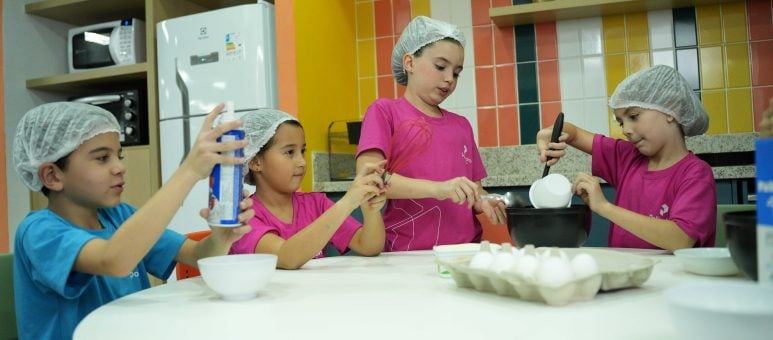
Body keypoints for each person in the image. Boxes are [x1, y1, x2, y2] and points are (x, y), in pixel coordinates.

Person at [12, 102, 254, 340]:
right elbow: (114, 260)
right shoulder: (39, 232)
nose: (119, 167)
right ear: (52, 176)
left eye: (119, 155)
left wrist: (221, 238)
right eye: (102, 158)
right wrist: (189, 171)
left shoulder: (119, 216)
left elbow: (199, 255)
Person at [355, 16, 507, 252]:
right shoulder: (385, 112)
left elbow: (473, 191)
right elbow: (370, 181)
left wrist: (485, 201)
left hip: (465, 252)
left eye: (456, 73)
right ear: (409, 62)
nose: (449, 78)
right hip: (406, 254)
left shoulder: (461, 125)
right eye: (440, 66)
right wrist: (439, 189)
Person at [536, 65, 716, 251]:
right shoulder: (628, 157)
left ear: (671, 109)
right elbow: (572, 134)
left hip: (674, 279)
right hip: (627, 277)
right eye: (621, 122)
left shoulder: (695, 174)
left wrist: (605, 207)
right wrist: (548, 133)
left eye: (634, 116)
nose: (625, 130)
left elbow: (681, 239)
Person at [229, 109, 387, 269]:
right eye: (290, 152)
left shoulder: (317, 204)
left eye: (302, 151)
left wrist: (370, 211)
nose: (302, 162)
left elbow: (368, 247)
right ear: (256, 162)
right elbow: (287, 257)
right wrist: (347, 202)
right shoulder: (243, 215)